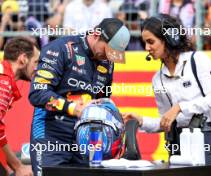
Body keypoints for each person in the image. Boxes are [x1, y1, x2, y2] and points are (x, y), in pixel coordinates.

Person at [29, 18, 130, 176]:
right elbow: (38, 94)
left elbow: (102, 99)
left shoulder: (107, 62)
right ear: (96, 35)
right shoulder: (60, 49)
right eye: (108, 50)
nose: (109, 57)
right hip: (50, 137)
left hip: (85, 138)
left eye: (114, 54)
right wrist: (72, 108)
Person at [122, 14, 211, 165]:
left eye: (151, 42)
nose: (146, 48)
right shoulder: (157, 79)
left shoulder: (198, 60)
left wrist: (179, 107)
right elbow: (165, 121)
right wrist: (141, 121)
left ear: (169, 39)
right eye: (145, 42)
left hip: (207, 140)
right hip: (178, 145)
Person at [0, 37, 39, 176]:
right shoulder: (4, 80)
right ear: (23, 59)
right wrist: (18, 166)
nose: (37, 68)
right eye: (36, 62)